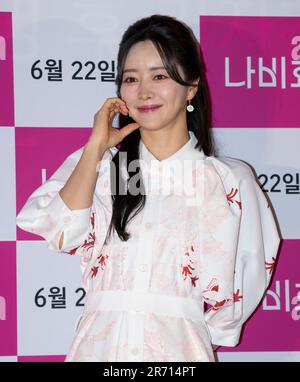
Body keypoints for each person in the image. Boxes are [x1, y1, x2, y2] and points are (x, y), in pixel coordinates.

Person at [16, 14, 281, 362]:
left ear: (191, 86)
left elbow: (240, 288)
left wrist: (184, 324)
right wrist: (95, 148)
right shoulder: (102, 165)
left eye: (159, 76)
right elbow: (61, 233)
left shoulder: (226, 181)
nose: (144, 91)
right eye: (131, 78)